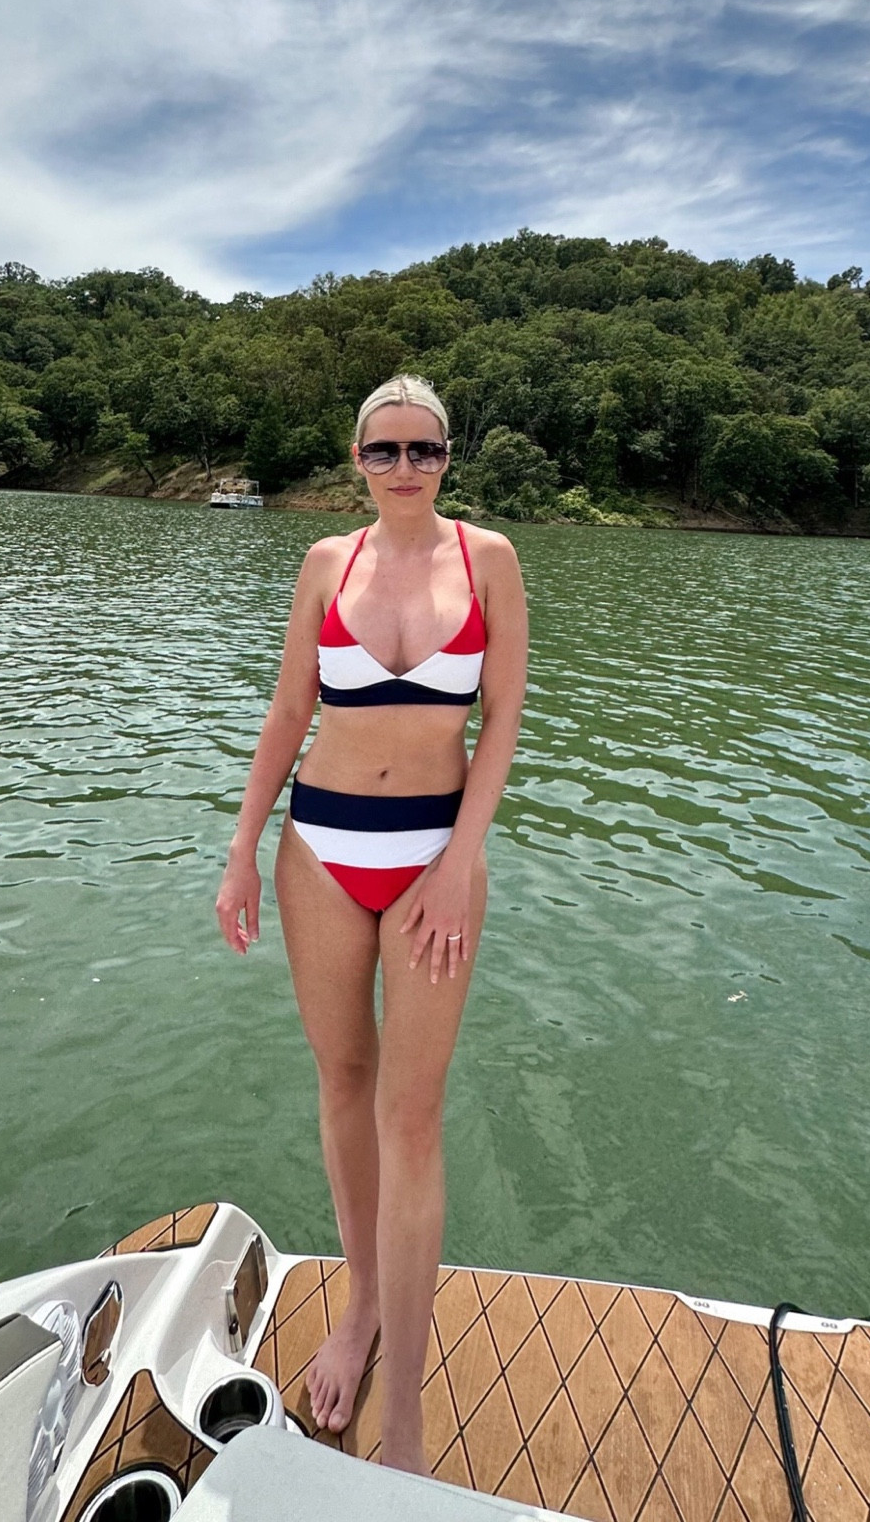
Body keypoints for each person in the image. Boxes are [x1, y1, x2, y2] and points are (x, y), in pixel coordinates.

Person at [216, 375, 528, 1475]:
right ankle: (359, 1308)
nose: (405, 466)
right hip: (320, 848)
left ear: (449, 456)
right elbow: (290, 709)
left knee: (413, 1115)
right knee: (343, 1079)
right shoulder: (324, 564)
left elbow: (501, 721)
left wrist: (463, 856)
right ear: (356, 459)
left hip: (435, 856)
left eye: (424, 449)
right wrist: (243, 845)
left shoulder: (488, 557)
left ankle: (405, 1427)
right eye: (384, 450)